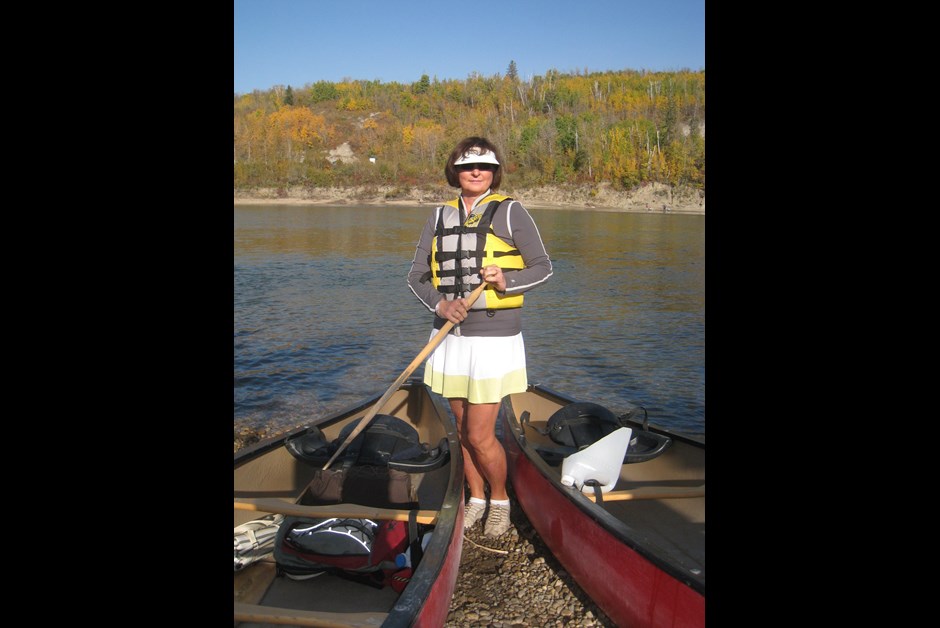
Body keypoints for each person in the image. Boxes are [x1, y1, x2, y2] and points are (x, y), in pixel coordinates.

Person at [407, 137, 553, 537]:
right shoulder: (438, 216)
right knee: (458, 425)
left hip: (493, 337)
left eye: (485, 166)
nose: (476, 172)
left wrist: (507, 279)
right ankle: (475, 497)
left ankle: (501, 500)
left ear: (494, 172)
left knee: (478, 432)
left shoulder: (511, 213)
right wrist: (440, 305)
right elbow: (416, 274)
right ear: (454, 171)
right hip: (449, 336)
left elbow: (543, 267)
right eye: (467, 165)